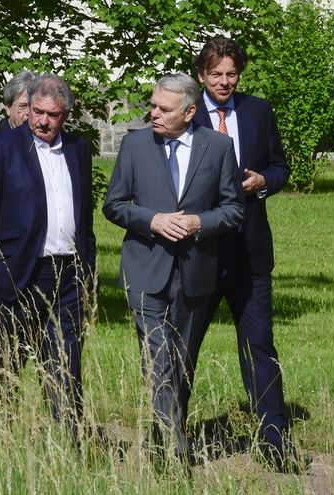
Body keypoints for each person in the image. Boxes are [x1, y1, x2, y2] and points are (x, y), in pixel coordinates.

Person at [103, 73, 243, 464]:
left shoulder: (217, 148)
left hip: (197, 271)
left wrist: (199, 223)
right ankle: (175, 450)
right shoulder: (134, 145)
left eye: (164, 109)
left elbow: (233, 209)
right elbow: (113, 205)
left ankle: (163, 433)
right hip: (146, 269)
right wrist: (152, 220)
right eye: (152, 105)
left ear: (189, 112)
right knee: (158, 355)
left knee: (182, 359)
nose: (154, 114)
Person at [0, 73, 96, 439]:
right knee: (6, 360)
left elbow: (83, 216)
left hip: (69, 273)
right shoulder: (1, 148)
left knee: (65, 361)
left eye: (52, 115)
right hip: (18, 272)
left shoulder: (78, 150)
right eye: (37, 111)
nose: (42, 120)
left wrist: (86, 269)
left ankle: (69, 442)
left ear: (65, 115)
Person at [192, 36, 299, 472]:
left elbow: (280, 166)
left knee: (259, 345)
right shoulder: (184, 112)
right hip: (199, 252)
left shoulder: (257, 110)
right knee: (185, 348)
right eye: (216, 74)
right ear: (201, 75)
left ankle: (275, 441)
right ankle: (171, 436)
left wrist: (264, 182)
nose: (224, 81)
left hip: (251, 253)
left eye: (231, 74)